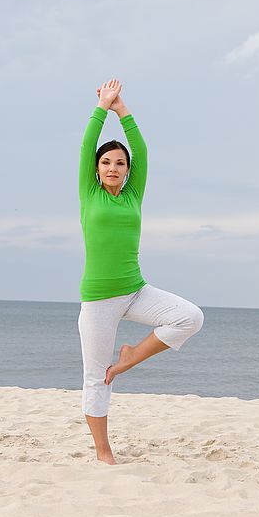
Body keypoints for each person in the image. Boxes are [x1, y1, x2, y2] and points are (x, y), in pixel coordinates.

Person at [77, 78, 204, 465]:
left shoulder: (134, 194)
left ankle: (131, 357)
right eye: (106, 162)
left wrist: (123, 111)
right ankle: (104, 453)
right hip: (98, 299)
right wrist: (102, 108)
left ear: (128, 171)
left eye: (120, 163)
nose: (113, 167)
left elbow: (143, 151)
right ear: (96, 169)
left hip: (135, 290)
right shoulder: (90, 192)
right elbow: (86, 145)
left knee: (190, 317)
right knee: (97, 378)